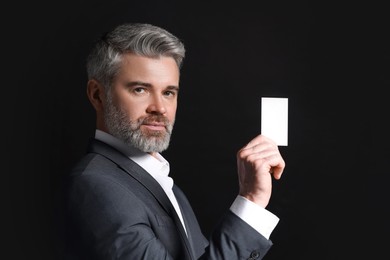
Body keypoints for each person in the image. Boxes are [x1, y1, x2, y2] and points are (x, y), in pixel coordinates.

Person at [63, 22, 286, 260]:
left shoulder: (160, 181)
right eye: (140, 89)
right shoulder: (97, 186)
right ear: (97, 94)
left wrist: (250, 196)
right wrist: (251, 201)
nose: (159, 108)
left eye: (168, 92)